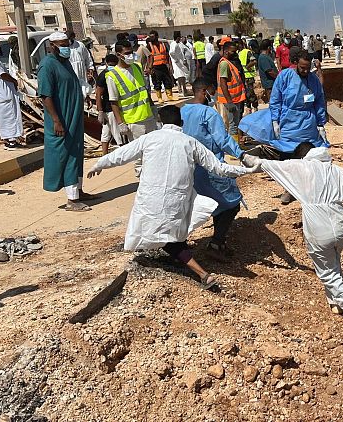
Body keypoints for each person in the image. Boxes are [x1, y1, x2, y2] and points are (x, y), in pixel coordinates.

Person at [87, 105, 248, 289]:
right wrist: (247, 169)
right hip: (177, 203)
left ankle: (202, 274)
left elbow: (121, 155)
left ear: (160, 122)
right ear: (181, 122)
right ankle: (195, 265)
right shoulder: (190, 143)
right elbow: (218, 168)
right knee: (171, 234)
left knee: (164, 238)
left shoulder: (149, 138)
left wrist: (99, 164)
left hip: (150, 201)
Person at [241, 144, 343, 322]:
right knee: (333, 261)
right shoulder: (337, 171)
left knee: (326, 270)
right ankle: (335, 302)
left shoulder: (300, 167)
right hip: (340, 226)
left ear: (302, 157)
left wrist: (240, 155)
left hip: (318, 228)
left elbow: (263, 164)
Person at [181, 79, 248, 260]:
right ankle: (216, 244)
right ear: (204, 92)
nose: (214, 96)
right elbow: (222, 139)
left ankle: (181, 246)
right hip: (211, 168)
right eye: (212, 92)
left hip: (188, 168)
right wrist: (241, 155)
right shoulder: (208, 113)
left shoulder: (183, 111)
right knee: (230, 204)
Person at [40, 31, 95, 211]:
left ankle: (78, 191)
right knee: (68, 155)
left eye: (67, 44)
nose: (66, 48)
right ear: (52, 46)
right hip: (62, 118)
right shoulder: (47, 65)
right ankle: (72, 200)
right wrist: (56, 121)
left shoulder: (66, 63)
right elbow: (46, 96)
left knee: (78, 152)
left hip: (74, 116)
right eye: (62, 45)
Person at [244, 50, 327, 165]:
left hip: (308, 123)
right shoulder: (285, 76)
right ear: (296, 63)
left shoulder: (313, 80)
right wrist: (275, 120)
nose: (305, 71)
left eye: (308, 68)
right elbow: (276, 99)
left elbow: (319, 101)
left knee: (307, 155)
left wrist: (320, 123)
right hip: (288, 122)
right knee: (287, 153)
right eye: (302, 68)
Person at [107, 40, 160, 176]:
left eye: (131, 52)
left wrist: (153, 108)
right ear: (119, 55)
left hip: (148, 116)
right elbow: (114, 102)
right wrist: (120, 123)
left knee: (154, 151)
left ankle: (154, 178)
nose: (131, 55)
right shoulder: (113, 76)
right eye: (127, 53)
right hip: (133, 121)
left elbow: (144, 91)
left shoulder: (136, 67)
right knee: (139, 155)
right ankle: (142, 180)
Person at [96, 54, 128, 155]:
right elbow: (99, 93)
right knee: (118, 134)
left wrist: (100, 110)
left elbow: (97, 94)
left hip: (107, 108)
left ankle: (105, 155)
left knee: (106, 133)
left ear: (106, 62)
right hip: (112, 109)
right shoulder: (114, 73)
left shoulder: (104, 74)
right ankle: (122, 155)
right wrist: (101, 111)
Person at [215, 41, 246, 138]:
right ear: (226, 52)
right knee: (233, 126)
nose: (235, 54)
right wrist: (229, 102)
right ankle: (234, 149)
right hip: (231, 99)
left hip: (234, 99)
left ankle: (236, 145)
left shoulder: (229, 63)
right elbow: (223, 83)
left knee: (235, 124)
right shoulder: (224, 64)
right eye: (233, 52)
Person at [145, 31, 175, 103]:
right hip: (155, 67)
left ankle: (169, 96)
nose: (151, 38)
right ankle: (159, 97)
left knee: (167, 81)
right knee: (157, 83)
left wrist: (170, 66)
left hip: (164, 66)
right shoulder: (149, 46)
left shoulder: (163, 44)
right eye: (150, 37)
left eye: (153, 36)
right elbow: (148, 58)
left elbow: (168, 56)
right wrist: (149, 68)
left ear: (157, 36)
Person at [67, 31, 94, 99]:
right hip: (71, 71)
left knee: (84, 88)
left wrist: (90, 68)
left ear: (73, 38)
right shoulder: (65, 47)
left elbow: (87, 57)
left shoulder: (80, 45)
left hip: (81, 70)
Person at [238, 40, 260, 114]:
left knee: (250, 93)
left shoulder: (247, 52)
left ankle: (255, 107)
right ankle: (249, 108)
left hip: (248, 77)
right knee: (245, 94)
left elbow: (254, 61)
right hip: (242, 77)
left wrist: (247, 67)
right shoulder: (238, 53)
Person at [257, 38, 279, 104]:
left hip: (272, 84)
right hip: (269, 84)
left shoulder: (266, 57)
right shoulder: (263, 58)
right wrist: (279, 77)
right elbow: (269, 71)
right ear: (269, 47)